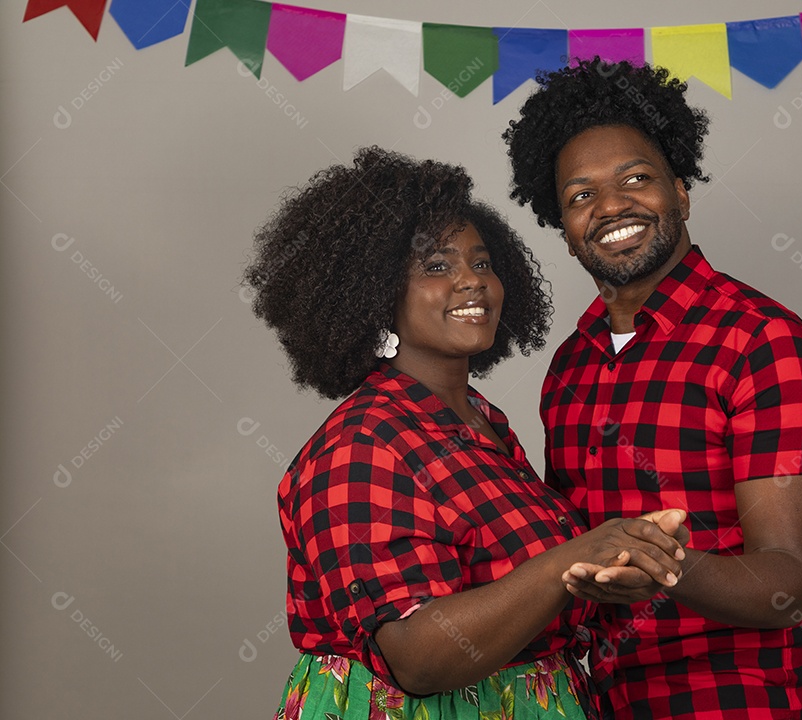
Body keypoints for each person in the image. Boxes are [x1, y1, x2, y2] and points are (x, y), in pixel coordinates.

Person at [244, 146, 689, 720]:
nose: (471, 282)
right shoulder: (361, 445)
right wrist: (570, 558)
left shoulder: (482, 423)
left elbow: (524, 591)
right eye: (437, 267)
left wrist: (611, 567)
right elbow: (417, 658)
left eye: (482, 263)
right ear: (373, 292)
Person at [504, 59, 802, 719]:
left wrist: (665, 566)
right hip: (604, 701)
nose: (610, 206)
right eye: (580, 196)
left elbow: (787, 580)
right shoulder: (571, 367)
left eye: (635, 178)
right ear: (565, 231)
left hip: (744, 704)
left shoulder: (765, 343)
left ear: (681, 193)